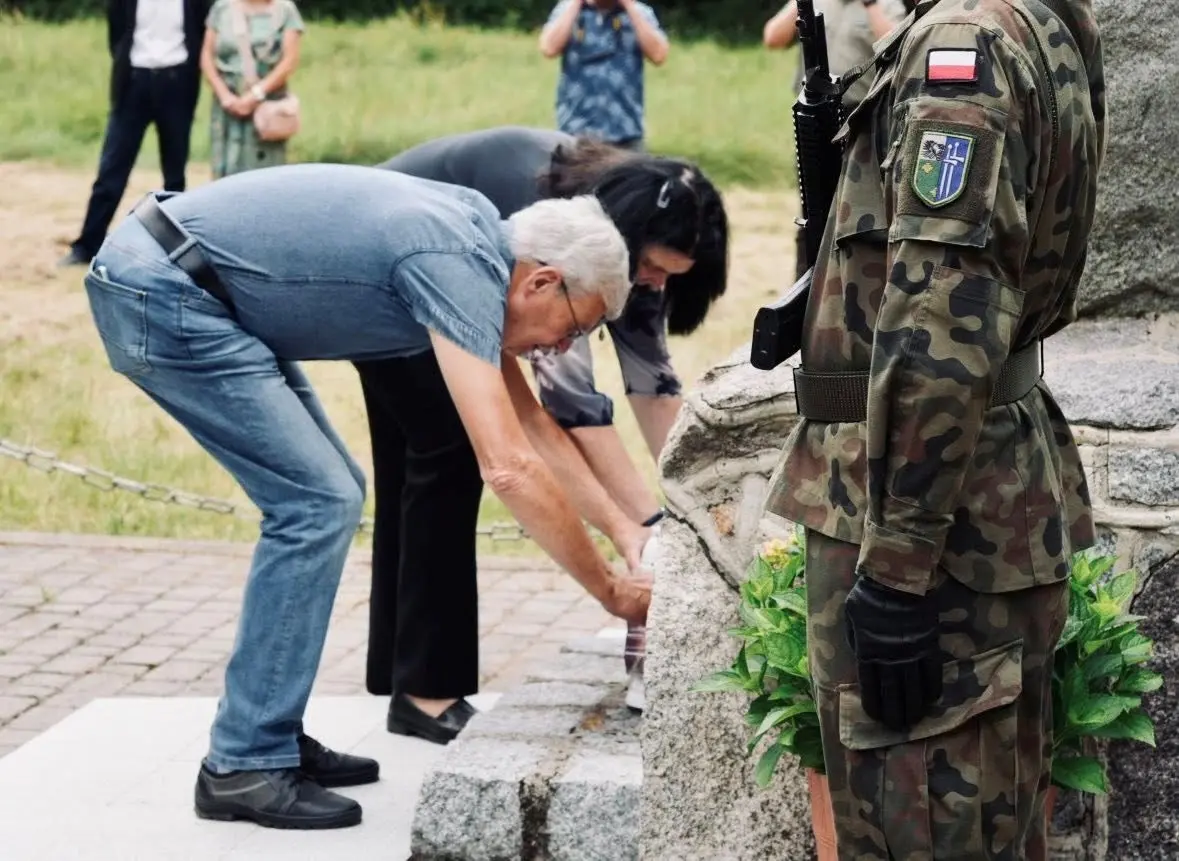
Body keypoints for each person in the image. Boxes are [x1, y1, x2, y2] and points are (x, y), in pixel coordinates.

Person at [81, 162, 651, 830]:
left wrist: (625, 528)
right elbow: (508, 467)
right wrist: (611, 591)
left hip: (193, 280)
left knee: (331, 493)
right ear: (543, 282)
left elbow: (530, 423)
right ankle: (244, 762)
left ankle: (268, 729)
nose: (561, 346)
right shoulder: (455, 263)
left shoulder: (479, 251)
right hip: (164, 287)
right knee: (314, 502)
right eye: (574, 327)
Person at [763, 0, 1104, 857]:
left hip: (935, 528)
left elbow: (943, 315)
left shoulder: (963, 46)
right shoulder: (1023, 16)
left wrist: (896, 568)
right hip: (967, 498)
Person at [363, 126, 728, 739]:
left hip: (411, 275)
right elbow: (565, 405)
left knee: (427, 457)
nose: (658, 285)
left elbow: (654, 387)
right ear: (631, 240)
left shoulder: (628, 255)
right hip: (386, 270)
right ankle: (425, 692)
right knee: (449, 450)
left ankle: (404, 674)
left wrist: (689, 510)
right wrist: (643, 529)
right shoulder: (561, 241)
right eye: (653, 269)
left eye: (672, 277)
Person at [763, 0, 909, 279]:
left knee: (861, 214)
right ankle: (806, 283)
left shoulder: (888, 4)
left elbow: (901, 49)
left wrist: (871, 5)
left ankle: (855, 282)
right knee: (813, 211)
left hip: (863, 120)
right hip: (816, 119)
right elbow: (773, 38)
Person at [58, 0, 209, 268]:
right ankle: (87, 245)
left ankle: (176, 250)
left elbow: (200, 31)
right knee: (111, 171)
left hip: (177, 83)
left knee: (174, 175)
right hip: (134, 84)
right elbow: (117, 34)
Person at [539, 0, 669, 150]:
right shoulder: (568, 9)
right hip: (576, 129)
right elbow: (549, 48)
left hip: (626, 131)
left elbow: (658, 55)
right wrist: (575, 5)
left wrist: (630, 7)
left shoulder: (640, 12)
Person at [199, 0, 304, 178]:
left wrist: (256, 95)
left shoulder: (285, 11)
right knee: (224, 171)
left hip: (267, 107)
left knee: (265, 176)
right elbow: (207, 56)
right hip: (227, 105)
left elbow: (290, 60)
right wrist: (224, 96)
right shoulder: (222, 8)